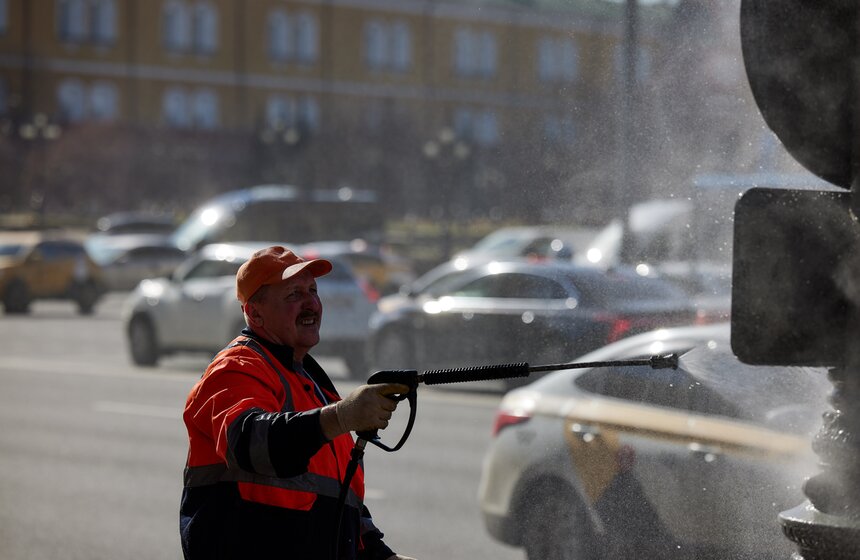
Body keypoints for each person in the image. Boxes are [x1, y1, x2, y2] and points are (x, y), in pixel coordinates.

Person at [180, 245, 417, 560]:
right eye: (293, 294)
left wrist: (383, 556)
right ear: (254, 312)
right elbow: (253, 444)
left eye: (313, 291)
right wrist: (341, 416)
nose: (311, 304)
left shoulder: (312, 385)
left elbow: (340, 500)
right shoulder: (235, 368)